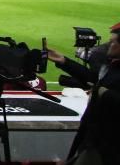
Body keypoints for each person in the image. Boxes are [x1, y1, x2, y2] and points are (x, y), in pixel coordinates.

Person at [47, 22, 120, 164]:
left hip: (106, 144)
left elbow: (101, 88)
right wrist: (64, 61)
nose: (108, 45)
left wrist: (103, 93)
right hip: (94, 140)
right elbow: (94, 79)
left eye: (112, 42)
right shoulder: (114, 66)